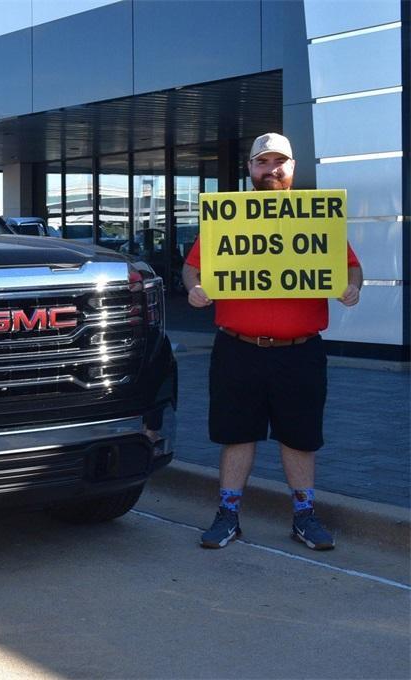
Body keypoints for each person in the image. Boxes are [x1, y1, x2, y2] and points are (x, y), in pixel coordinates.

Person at [181, 132, 363, 551]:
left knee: (299, 437)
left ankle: (304, 516)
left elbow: (351, 268)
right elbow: (194, 268)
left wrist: (351, 288)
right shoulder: (229, 217)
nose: (271, 170)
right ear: (250, 169)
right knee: (236, 433)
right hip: (237, 347)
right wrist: (194, 288)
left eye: (280, 162)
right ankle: (228, 516)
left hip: (299, 351)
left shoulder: (315, 216)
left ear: (293, 169)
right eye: (263, 163)